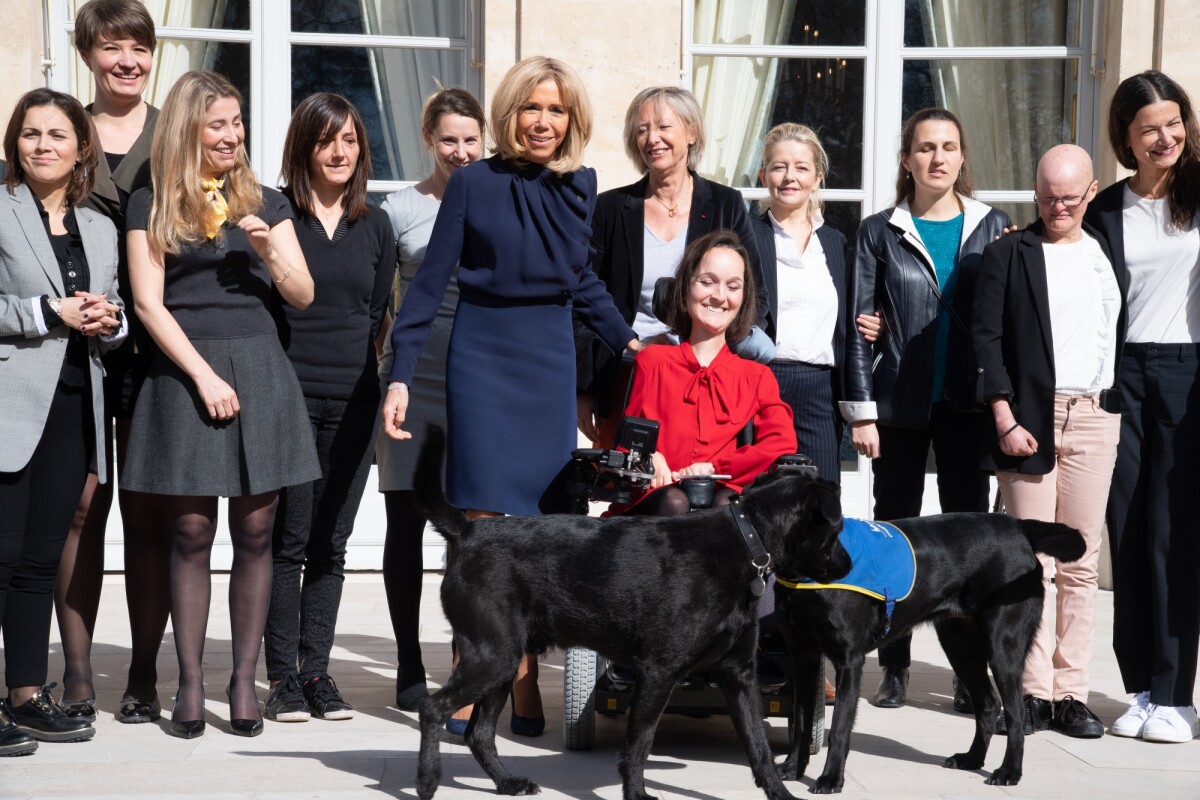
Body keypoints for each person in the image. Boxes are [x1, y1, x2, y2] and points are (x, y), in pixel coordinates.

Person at [381, 56, 639, 737]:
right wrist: (400, 374)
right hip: (483, 359)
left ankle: (523, 685)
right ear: (510, 113)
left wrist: (632, 342)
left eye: (556, 110)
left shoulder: (580, 185)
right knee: (486, 535)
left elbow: (579, 279)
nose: (544, 121)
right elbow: (429, 284)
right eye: (532, 108)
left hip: (547, 361)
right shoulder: (473, 182)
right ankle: (479, 683)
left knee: (543, 534)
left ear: (571, 119)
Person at [121, 71, 320, 739]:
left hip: (260, 367)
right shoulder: (149, 201)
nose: (232, 135)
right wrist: (204, 376)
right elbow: (148, 304)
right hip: (186, 370)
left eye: (237, 123)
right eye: (217, 125)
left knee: (258, 533)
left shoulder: (263, 200)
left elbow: (302, 294)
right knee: (191, 532)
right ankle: (188, 684)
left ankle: (242, 682)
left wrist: (269, 251)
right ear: (187, 130)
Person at [841, 107, 1011, 710]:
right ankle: (893, 666)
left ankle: (972, 676)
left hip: (968, 408)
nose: (938, 158)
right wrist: (861, 410)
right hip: (899, 407)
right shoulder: (877, 230)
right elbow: (854, 327)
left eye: (949, 147)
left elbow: (1007, 319)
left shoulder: (995, 226)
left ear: (963, 157)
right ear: (907, 159)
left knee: (970, 546)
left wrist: (1006, 404)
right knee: (897, 539)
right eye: (925, 148)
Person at [973, 144, 1123, 739]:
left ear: (1090, 193)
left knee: (1081, 562)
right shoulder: (1009, 252)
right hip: (1030, 416)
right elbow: (985, 342)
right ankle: (1029, 692)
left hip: (1095, 414)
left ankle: (1071, 694)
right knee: (1029, 561)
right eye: (1046, 195)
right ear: (1034, 191)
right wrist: (1004, 418)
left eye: (1069, 196)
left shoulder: (1108, 254)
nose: (1057, 207)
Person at [261, 93, 395, 724]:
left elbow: (375, 315)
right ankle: (282, 677)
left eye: (349, 140)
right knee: (288, 541)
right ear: (304, 149)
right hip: (288, 399)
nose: (339, 152)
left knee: (331, 544)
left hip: (355, 401)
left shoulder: (377, 224)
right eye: (325, 141)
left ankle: (317, 671)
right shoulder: (277, 213)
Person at [0, 88, 126, 752]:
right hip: (9, 403)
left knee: (40, 561)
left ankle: (25, 695)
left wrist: (110, 321)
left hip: (78, 403)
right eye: (29, 133)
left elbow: (115, 310)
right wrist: (49, 312)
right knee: (1, 555)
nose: (42, 145)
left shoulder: (100, 226)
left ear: (82, 147)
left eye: (56, 134)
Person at [54, 0, 166, 726]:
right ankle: (76, 671)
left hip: (162, 350)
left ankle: (145, 673)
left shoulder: (175, 131)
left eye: (137, 48)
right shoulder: (64, 129)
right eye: (110, 48)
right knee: (81, 512)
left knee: (151, 515)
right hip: (78, 350)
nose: (125, 60)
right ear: (89, 55)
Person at [1085, 70, 1200, 743]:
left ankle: (1176, 694)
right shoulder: (1106, 210)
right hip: (1123, 373)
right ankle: (1140, 691)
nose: (1167, 136)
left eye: (1175, 120)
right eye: (1150, 127)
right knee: (1126, 531)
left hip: (1189, 373)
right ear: (1126, 138)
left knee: (1173, 534)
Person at [576, 86, 771, 448]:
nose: (652, 138)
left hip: (704, 378)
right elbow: (584, 301)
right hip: (627, 377)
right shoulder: (609, 208)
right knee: (628, 491)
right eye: (641, 129)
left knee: (697, 492)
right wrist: (584, 388)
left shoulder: (725, 204)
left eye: (664, 126)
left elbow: (754, 295)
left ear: (692, 132)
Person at [376, 87, 486, 713]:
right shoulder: (398, 210)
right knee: (405, 523)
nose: (461, 151)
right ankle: (409, 663)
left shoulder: (495, 197)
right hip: (413, 376)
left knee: (468, 530)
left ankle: (465, 664)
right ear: (428, 139)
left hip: (477, 375)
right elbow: (379, 300)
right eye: (449, 140)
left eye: (471, 140)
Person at [618, 230, 797, 515]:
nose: (719, 296)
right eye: (707, 282)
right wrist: (649, 457)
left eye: (733, 286)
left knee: (728, 509)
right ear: (686, 288)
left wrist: (717, 468)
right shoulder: (652, 362)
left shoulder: (756, 376)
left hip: (720, 500)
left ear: (744, 297)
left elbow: (780, 442)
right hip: (657, 502)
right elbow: (626, 444)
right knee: (675, 502)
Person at [750, 122, 848, 483]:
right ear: (764, 175)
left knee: (823, 503)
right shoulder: (746, 237)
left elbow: (850, 316)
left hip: (820, 388)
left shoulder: (835, 243)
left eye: (801, 167)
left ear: (817, 177)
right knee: (758, 499)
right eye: (779, 167)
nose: (789, 177)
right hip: (762, 381)